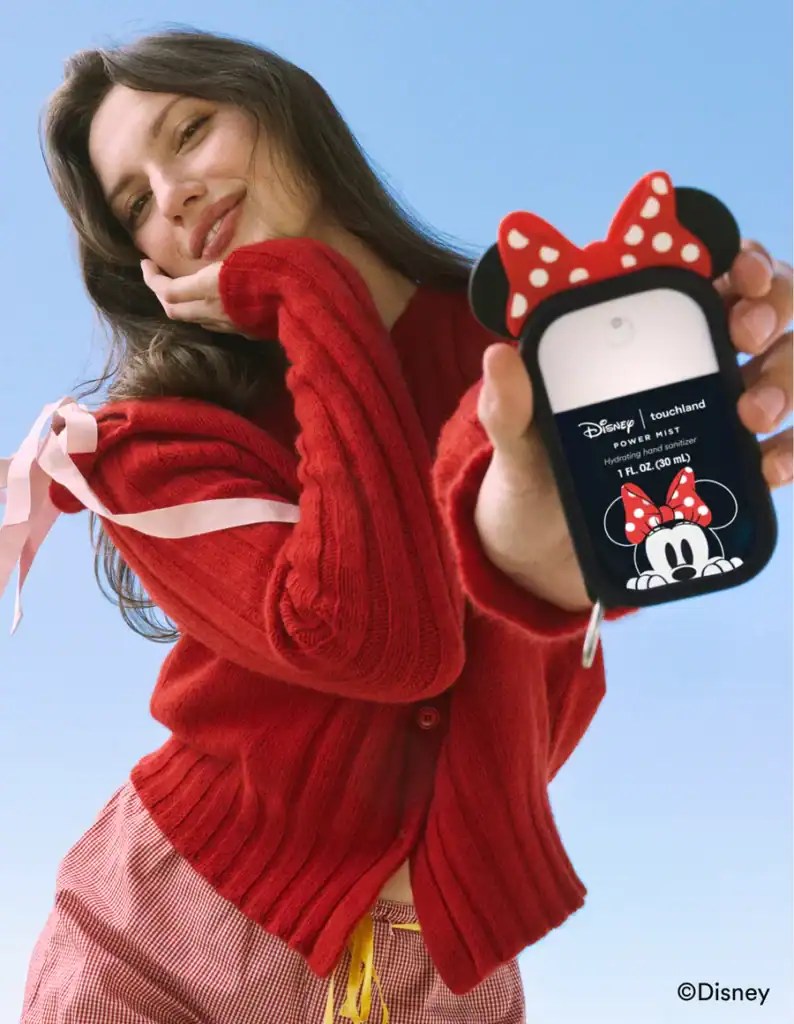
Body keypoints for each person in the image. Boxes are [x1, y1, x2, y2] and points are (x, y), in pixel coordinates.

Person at [7, 26, 791, 1024]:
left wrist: (655, 424)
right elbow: (378, 641)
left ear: (282, 108)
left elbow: (565, 610)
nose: (173, 196)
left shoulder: (510, 357)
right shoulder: (150, 443)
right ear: (140, 263)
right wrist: (307, 286)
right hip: (163, 950)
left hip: (444, 975)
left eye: (190, 131)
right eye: (133, 206)